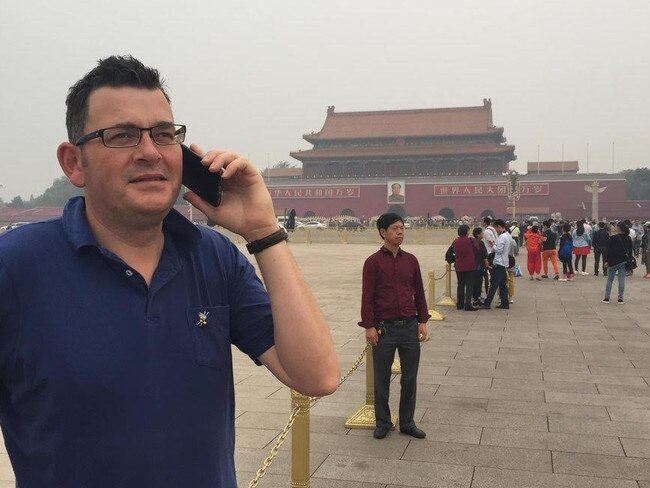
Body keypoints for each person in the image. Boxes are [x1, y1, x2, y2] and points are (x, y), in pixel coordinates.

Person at [0, 55, 339, 487]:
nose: (150, 152)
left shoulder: (214, 257)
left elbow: (316, 375)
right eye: (122, 136)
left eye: (164, 134)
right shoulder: (15, 266)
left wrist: (263, 231)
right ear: (74, 163)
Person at [360, 213, 429, 440]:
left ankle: (407, 422)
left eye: (402, 228)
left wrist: (422, 321)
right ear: (382, 232)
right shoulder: (372, 263)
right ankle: (383, 421)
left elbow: (418, 291)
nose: (400, 232)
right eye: (394, 228)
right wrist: (369, 327)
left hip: (409, 327)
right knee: (381, 378)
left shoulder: (411, 261)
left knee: (410, 378)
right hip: (384, 329)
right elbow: (367, 297)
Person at [479, 219, 510, 310]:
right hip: (504, 263)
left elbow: (499, 250)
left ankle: (487, 303)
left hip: (499, 263)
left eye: (496, 227)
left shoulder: (502, 237)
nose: (495, 230)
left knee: (493, 284)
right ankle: (505, 302)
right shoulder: (507, 235)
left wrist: (493, 245)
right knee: (502, 285)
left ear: (499, 226)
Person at [602, 221, 634, 304]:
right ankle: (620, 299)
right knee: (621, 280)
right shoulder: (628, 238)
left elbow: (609, 251)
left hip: (612, 262)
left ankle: (606, 298)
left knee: (609, 280)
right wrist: (629, 262)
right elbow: (630, 252)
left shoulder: (613, 238)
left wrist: (607, 261)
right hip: (623, 261)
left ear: (619, 228)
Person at [452, 224, 479, 311]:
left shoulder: (455, 241)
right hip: (470, 266)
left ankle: (460, 304)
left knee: (460, 285)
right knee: (469, 285)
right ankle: (468, 304)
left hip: (459, 266)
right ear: (466, 232)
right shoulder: (471, 240)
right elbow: (477, 248)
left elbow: (453, 251)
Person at [471, 227, 489, 307]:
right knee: (478, 283)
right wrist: (487, 264)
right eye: (482, 233)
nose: (483, 234)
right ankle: (477, 298)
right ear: (478, 234)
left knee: (474, 282)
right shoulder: (480, 243)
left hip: (472, 265)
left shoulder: (471, 241)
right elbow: (484, 255)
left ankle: (474, 297)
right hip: (479, 265)